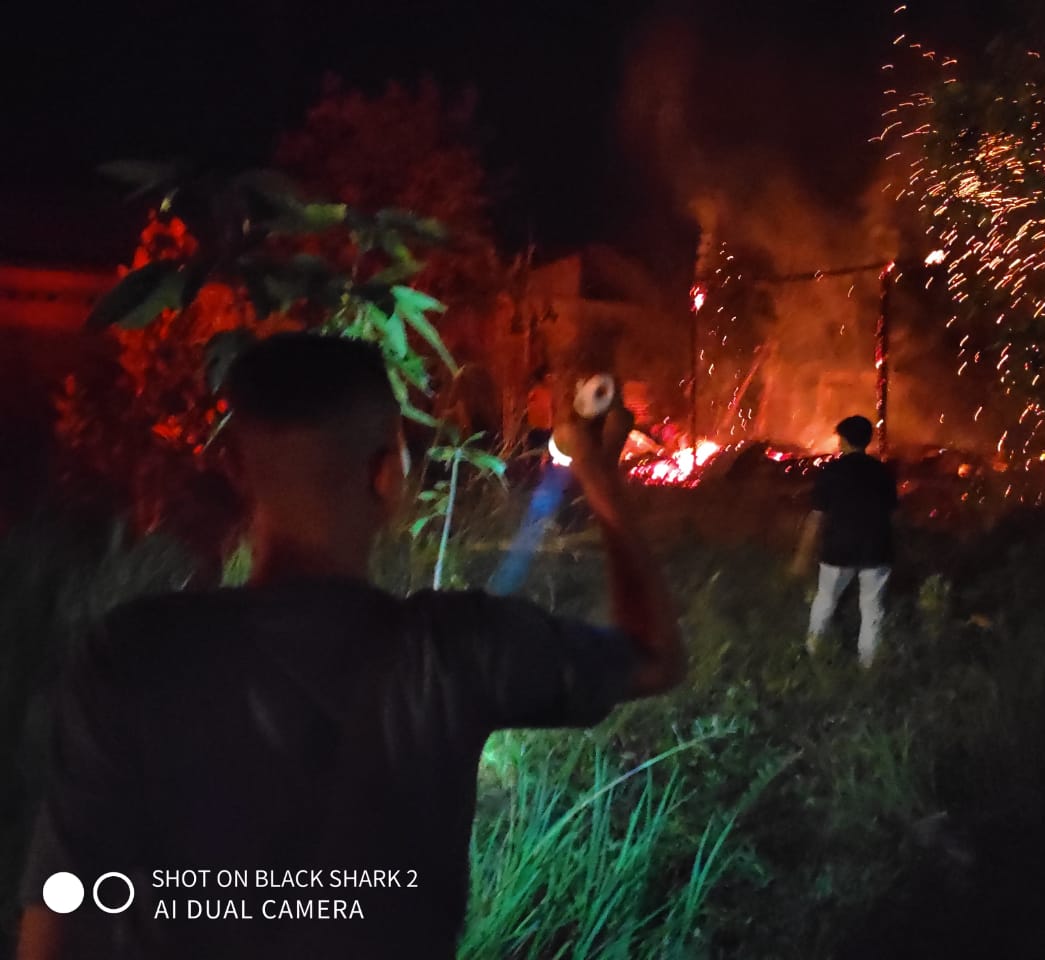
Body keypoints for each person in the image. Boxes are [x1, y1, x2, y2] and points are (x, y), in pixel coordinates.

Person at [16, 334, 685, 960]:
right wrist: (599, 474)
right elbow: (654, 653)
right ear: (385, 477)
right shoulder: (453, 651)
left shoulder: (133, 652)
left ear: (237, 471)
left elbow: (59, 918)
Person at [791, 415, 898, 665]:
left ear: (845, 440)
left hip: (838, 549)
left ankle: (815, 654)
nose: (838, 443)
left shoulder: (831, 471)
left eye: (840, 438)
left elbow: (817, 518)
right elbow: (894, 516)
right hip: (876, 549)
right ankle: (868, 666)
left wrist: (802, 556)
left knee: (825, 600)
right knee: (873, 611)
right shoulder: (882, 472)